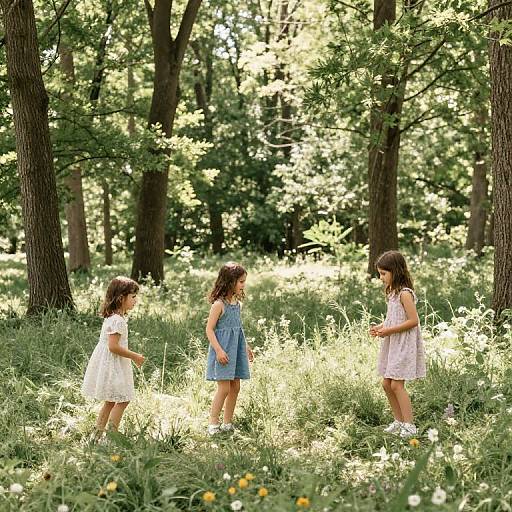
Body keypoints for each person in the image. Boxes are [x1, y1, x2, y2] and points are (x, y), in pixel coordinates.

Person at [370, 251, 426, 438]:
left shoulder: (405, 294)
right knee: (386, 383)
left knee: (396, 385)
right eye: (380, 274)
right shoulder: (392, 293)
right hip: (393, 342)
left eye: (383, 274)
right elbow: (393, 319)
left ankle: (410, 426)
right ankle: (399, 421)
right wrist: (380, 327)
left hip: (404, 343)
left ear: (396, 271)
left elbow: (413, 321)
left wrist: (389, 331)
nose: (381, 278)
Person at [81, 276, 145, 438]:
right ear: (120, 298)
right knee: (123, 400)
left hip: (110, 362)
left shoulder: (113, 317)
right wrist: (134, 356)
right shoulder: (118, 321)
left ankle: (97, 435)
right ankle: (112, 436)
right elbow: (113, 346)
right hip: (113, 363)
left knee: (110, 400)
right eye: (133, 297)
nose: (135, 301)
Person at [205, 262, 253, 435]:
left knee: (235, 387)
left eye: (244, 281)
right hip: (223, 351)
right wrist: (218, 350)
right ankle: (213, 423)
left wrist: (246, 346)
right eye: (241, 281)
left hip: (236, 350)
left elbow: (239, 328)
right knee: (224, 388)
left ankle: (227, 422)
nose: (243, 285)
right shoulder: (219, 305)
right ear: (229, 282)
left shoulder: (237, 304)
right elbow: (209, 330)